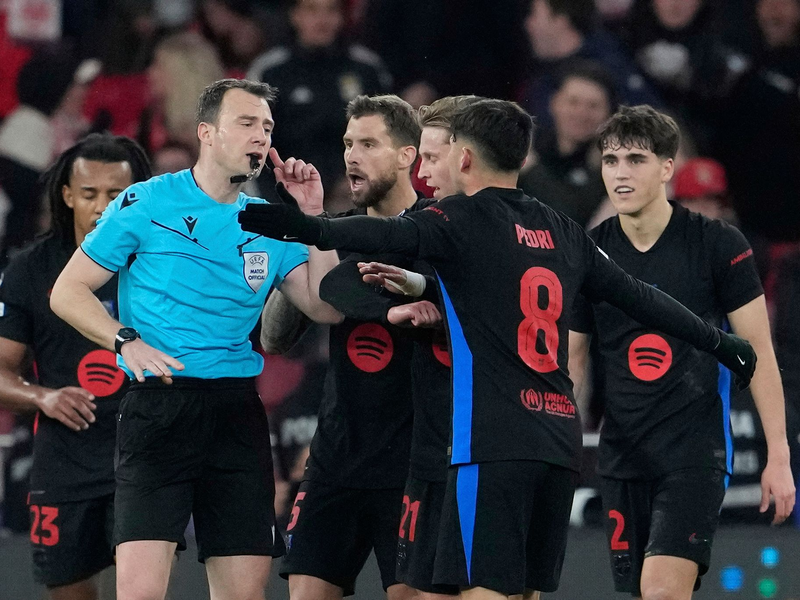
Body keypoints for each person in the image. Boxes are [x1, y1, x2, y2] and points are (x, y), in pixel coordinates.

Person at [239, 98, 757, 599]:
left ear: (464, 156)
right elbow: (641, 297)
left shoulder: (459, 219)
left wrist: (310, 225)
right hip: (557, 441)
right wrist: (719, 341)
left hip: (490, 443)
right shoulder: (563, 229)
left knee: (480, 592)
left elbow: (380, 234)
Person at [49, 78, 342, 600]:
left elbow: (325, 306)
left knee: (243, 596)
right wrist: (125, 340)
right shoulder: (146, 201)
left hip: (236, 412)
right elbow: (67, 292)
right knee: (140, 594)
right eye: (247, 123)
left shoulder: (273, 222)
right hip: (158, 407)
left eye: (267, 127)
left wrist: (315, 218)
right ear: (207, 132)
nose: (261, 136)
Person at [567, 105, 796, 599]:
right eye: (611, 161)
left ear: (667, 168)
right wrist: (560, 443)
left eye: (636, 160)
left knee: (662, 591)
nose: (621, 173)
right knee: (647, 593)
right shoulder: (589, 253)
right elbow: (574, 361)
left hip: (694, 451)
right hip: (621, 455)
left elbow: (757, 351)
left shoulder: (718, 244)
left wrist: (778, 455)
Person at [262, 94, 423, 600]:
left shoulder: (438, 231)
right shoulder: (333, 233)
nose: (352, 155)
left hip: (415, 460)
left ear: (407, 155)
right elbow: (274, 336)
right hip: (336, 457)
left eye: (369, 144)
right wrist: (306, 225)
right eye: (348, 144)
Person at [0, 133, 150, 600]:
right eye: (89, 194)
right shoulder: (29, 269)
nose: (102, 206)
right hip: (65, 464)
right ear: (67, 195)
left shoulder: (163, 263)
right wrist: (42, 396)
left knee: (141, 591)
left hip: (144, 458)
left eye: (116, 194)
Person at [248, 0, 392, 192]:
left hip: (356, 195)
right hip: (288, 195)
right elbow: (250, 145)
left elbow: (388, 140)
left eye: (331, 10)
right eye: (311, 9)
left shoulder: (367, 69)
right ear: (294, 15)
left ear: (342, 17)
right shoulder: (269, 72)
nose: (322, 20)